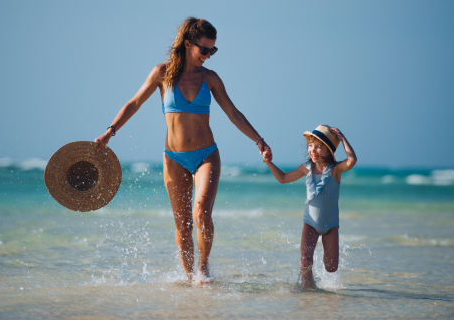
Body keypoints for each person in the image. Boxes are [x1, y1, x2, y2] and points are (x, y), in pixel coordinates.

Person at [95, 17, 272, 283]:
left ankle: (203, 269)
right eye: (205, 49)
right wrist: (111, 131)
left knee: (201, 211)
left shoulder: (210, 78)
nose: (208, 56)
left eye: (213, 50)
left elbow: (233, 113)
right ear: (188, 44)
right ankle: (188, 279)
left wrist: (259, 140)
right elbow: (134, 103)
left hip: (206, 156)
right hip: (173, 159)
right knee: (183, 224)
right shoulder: (161, 73)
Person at [264, 125, 356, 289]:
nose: (313, 150)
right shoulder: (306, 168)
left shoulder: (335, 169)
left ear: (329, 150)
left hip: (331, 225)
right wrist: (269, 162)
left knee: (331, 267)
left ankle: (312, 284)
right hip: (310, 223)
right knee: (305, 261)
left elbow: (352, 160)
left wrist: (342, 139)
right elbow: (283, 178)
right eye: (311, 145)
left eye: (319, 147)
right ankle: (308, 289)